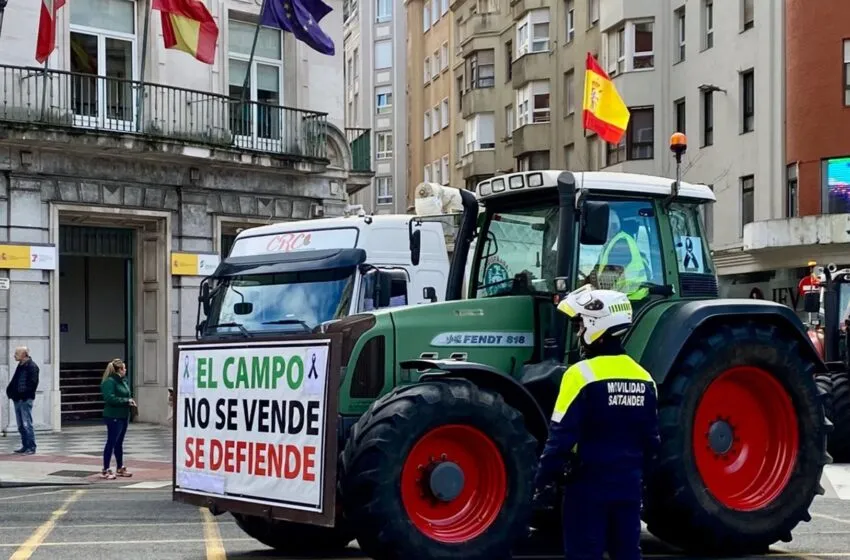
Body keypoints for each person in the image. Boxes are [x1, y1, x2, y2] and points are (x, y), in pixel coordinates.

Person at [533, 284, 660, 560]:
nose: (579, 334)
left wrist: (540, 483)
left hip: (587, 489)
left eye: (580, 326)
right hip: (628, 489)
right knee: (627, 554)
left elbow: (560, 440)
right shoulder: (645, 378)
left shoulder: (580, 375)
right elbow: (652, 442)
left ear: (595, 325)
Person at [588, 209, 649, 301]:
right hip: (619, 296)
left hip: (630, 298)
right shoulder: (611, 243)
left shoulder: (621, 244)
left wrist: (588, 291)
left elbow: (607, 279)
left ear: (612, 227)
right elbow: (597, 271)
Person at [100, 358, 135, 480]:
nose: (125, 370)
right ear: (119, 369)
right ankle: (105, 469)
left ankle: (120, 467)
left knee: (119, 443)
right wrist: (126, 401)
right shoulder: (109, 382)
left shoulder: (122, 381)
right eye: (124, 368)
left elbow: (126, 394)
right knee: (111, 442)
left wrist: (129, 400)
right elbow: (109, 398)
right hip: (113, 416)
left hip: (123, 415)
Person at [5, 347, 39, 454]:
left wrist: (24, 395)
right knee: (20, 425)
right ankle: (25, 446)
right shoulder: (20, 366)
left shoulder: (32, 366)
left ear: (24, 354)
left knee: (26, 423)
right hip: (17, 399)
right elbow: (15, 380)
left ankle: (31, 447)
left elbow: (33, 384)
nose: (14, 355)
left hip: (25, 399)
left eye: (17, 353)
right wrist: (10, 392)